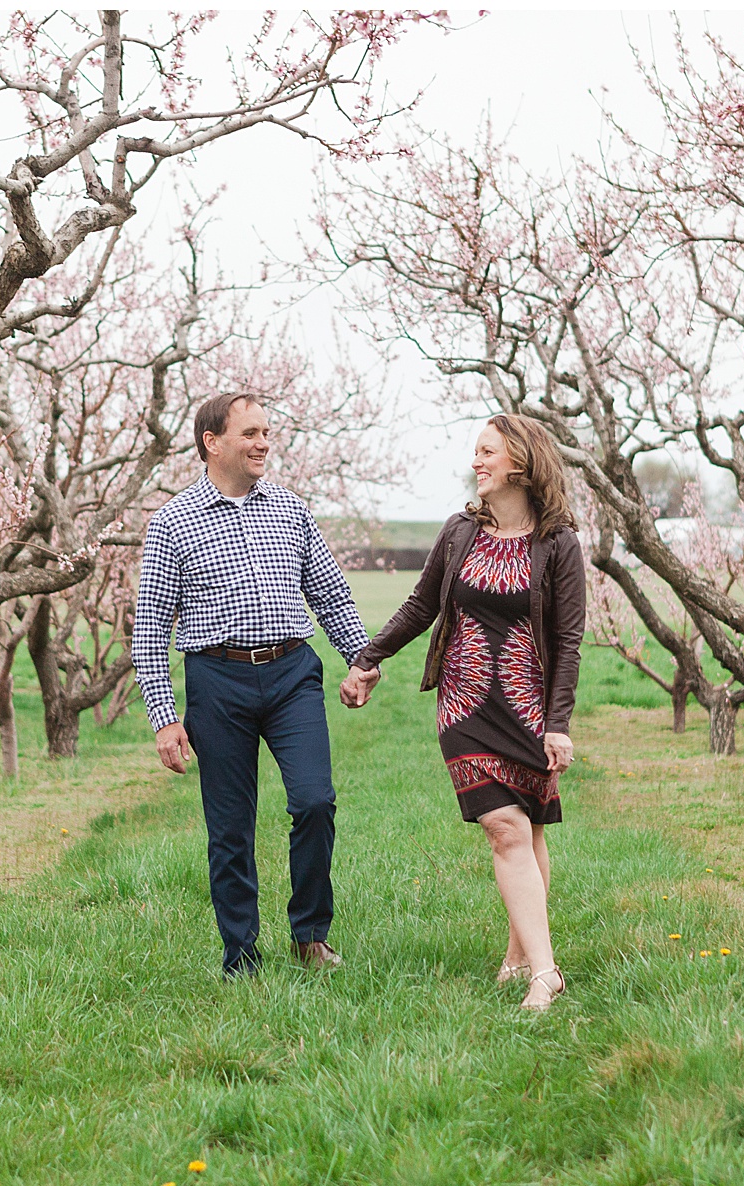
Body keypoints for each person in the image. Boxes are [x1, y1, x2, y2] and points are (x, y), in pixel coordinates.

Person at [340, 414, 585, 1011]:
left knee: (528, 831)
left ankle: (520, 954)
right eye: (476, 452)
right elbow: (422, 605)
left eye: (488, 452)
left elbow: (569, 640)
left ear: (521, 463)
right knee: (504, 827)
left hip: (528, 706)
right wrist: (367, 658)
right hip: (465, 703)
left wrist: (558, 724)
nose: (476, 462)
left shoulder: (558, 543)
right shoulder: (459, 533)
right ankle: (546, 973)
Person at [132, 392, 371, 978]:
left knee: (315, 801)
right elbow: (151, 629)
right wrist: (166, 718)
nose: (264, 442)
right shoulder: (172, 522)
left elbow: (331, 594)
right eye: (251, 433)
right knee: (230, 826)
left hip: (293, 674)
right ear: (213, 443)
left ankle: (309, 935)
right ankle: (240, 954)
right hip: (218, 681)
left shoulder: (291, 509)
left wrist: (362, 660)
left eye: (267, 432)